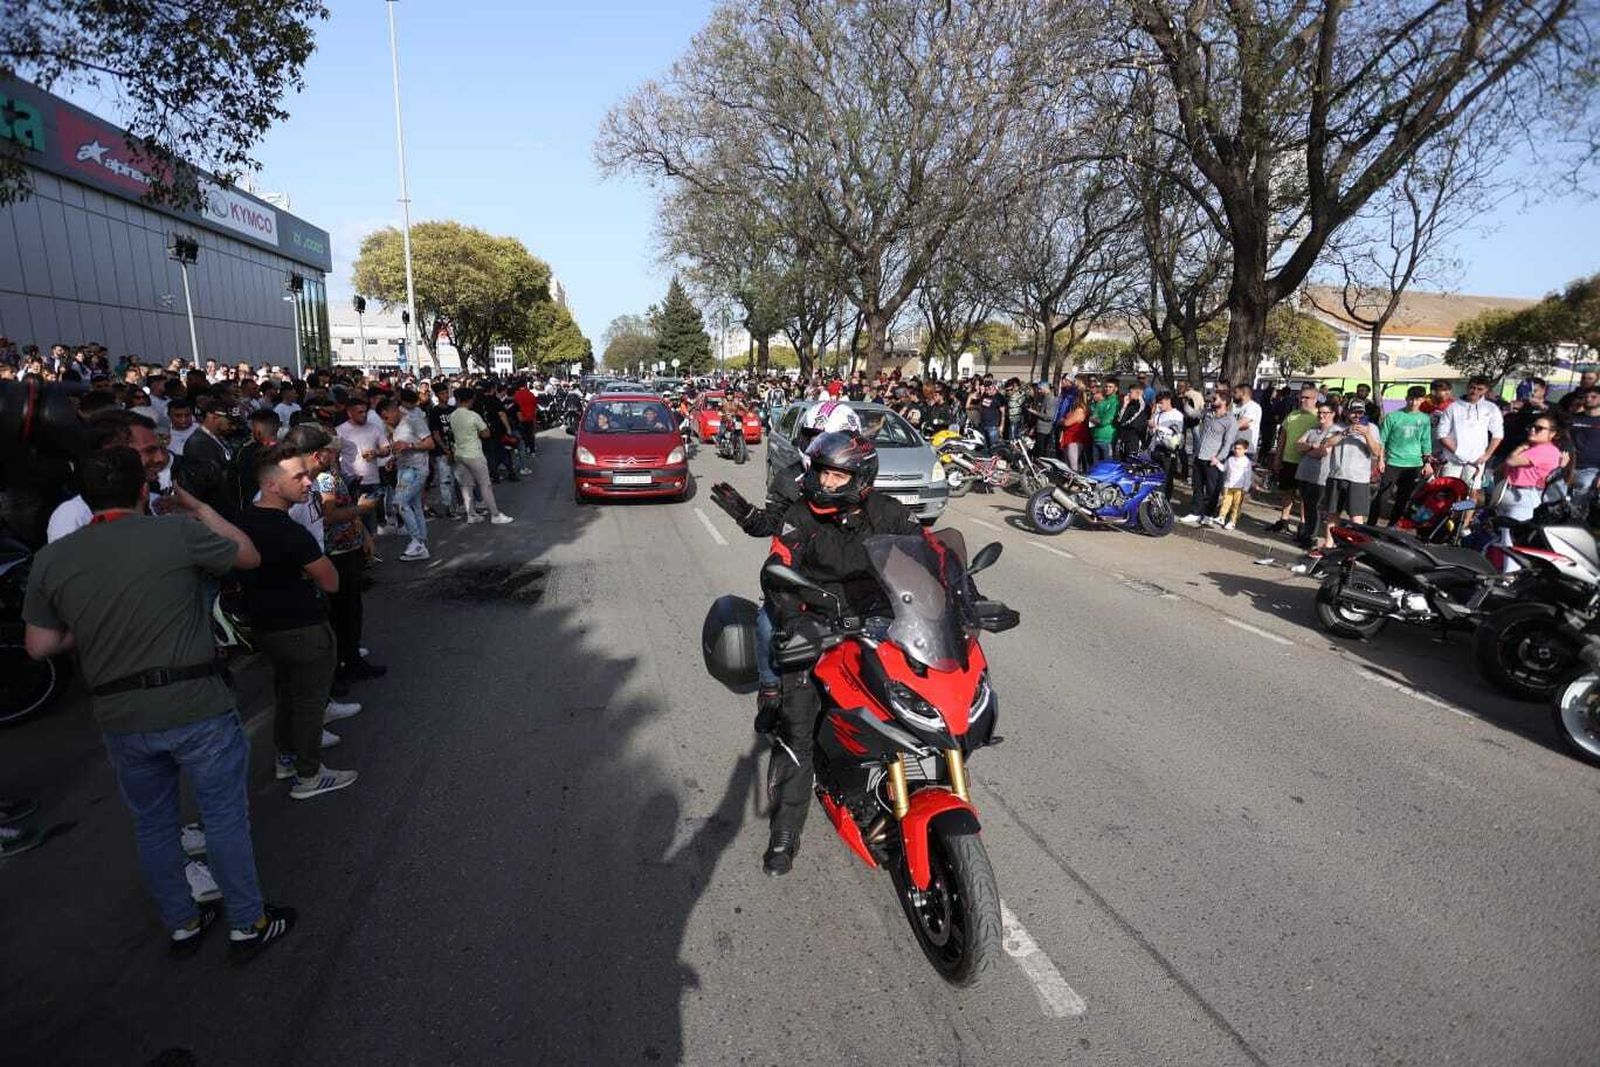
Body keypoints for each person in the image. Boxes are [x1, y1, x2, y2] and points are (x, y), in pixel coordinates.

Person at [22, 447, 297, 961]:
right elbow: (248, 555)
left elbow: (38, 646)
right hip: (196, 703)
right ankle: (248, 922)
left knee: (153, 825)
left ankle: (184, 921)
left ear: (84, 497)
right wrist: (199, 508)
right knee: (223, 819)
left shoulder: (52, 558)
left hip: (120, 714)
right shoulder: (175, 532)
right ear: (144, 490)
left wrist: (90, 628)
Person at [759, 430, 922, 876]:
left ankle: (888, 794)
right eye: (822, 473)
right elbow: (777, 576)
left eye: (835, 475)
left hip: (879, 623)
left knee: (913, 706)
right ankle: (785, 830)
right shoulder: (800, 515)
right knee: (798, 727)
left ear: (860, 478)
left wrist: (969, 599)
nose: (825, 482)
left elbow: (928, 556)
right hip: (817, 624)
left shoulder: (888, 512)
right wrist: (797, 624)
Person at [709, 402, 863, 732]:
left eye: (828, 437)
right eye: (812, 436)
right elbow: (770, 524)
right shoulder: (788, 478)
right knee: (767, 622)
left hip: (851, 575)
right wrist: (746, 515)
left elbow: (891, 532)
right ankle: (769, 691)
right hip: (802, 574)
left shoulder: (862, 477)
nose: (818, 445)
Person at [237, 445, 358, 800]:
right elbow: (331, 581)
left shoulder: (243, 521)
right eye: (299, 477)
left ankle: (286, 758)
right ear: (273, 485)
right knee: (308, 700)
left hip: (265, 627)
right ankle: (309, 773)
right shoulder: (289, 531)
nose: (309, 483)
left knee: (287, 694)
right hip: (302, 626)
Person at [377, 395, 434, 561]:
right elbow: (401, 448)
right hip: (403, 469)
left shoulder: (414, 421)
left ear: (393, 411)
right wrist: (393, 459)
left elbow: (430, 444)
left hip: (416, 469)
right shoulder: (396, 426)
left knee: (400, 502)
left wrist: (409, 446)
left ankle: (417, 542)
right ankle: (421, 543)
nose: (386, 421)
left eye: (386, 417)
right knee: (415, 506)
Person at [448, 388, 514, 525]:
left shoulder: (453, 415)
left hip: (459, 453)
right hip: (474, 453)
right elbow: (486, 433)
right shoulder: (473, 416)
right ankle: (495, 515)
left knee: (466, 486)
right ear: (471, 399)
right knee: (485, 484)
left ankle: (471, 514)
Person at [1322, 398, 1384, 543]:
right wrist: (1344, 433)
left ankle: (1355, 548)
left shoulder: (1372, 428)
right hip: (1336, 475)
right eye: (1353, 412)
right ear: (1345, 412)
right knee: (1332, 514)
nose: (1357, 416)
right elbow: (1325, 443)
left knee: (1356, 517)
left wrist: (1366, 435)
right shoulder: (1337, 426)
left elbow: (1376, 451)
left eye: (1360, 413)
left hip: (1359, 479)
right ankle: (1328, 545)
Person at [1435, 376, 1504, 504]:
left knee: (1471, 495)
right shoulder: (1453, 407)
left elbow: (1498, 434)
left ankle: (1462, 522)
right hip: (1452, 459)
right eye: (1472, 387)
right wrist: (1458, 452)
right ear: (1468, 387)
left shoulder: (1491, 408)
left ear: (1486, 390)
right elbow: (1441, 434)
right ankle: (1443, 521)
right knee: (1446, 491)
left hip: (1476, 460)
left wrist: (1486, 455)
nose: (1475, 391)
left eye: (1479, 389)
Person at [1267, 388, 1320, 534]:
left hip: (1306, 461)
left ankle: (1303, 523)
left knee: (1304, 495)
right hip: (1288, 459)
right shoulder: (1292, 415)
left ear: (1315, 399)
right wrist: (1278, 457)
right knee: (1286, 491)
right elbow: (1282, 436)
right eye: (1300, 397)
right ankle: (1284, 519)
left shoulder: (1318, 416)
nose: (1302, 400)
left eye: (1306, 398)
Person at [1375, 386, 1431, 525]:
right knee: (1382, 496)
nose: (1413, 402)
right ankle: (1371, 523)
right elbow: (1382, 440)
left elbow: (1426, 442)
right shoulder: (1393, 416)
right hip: (1393, 462)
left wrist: (1427, 462)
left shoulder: (1424, 419)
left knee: (1403, 498)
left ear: (1423, 400)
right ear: (1406, 398)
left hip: (1413, 465)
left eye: (1417, 399)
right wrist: (1381, 459)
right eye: (1411, 398)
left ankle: (1392, 525)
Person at [1180, 393, 1239, 525]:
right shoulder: (1208, 413)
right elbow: (1192, 414)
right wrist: (1188, 399)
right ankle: (1195, 513)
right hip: (1199, 455)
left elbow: (1228, 442)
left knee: (1212, 490)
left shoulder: (1230, 420)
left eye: (1215, 399)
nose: (1212, 400)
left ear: (1224, 401)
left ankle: (1209, 514)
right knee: (1197, 487)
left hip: (1213, 459)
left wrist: (1218, 458)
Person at [1496, 417, 1563, 521]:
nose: (1532, 430)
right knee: (1472, 499)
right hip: (1508, 492)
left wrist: (1520, 448)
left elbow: (1511, 461)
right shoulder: (1532, 448)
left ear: (1552, 433)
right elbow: (1500, 469)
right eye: (1531, 427)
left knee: (1510, 535)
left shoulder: (1546, 450)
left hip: (1523, 497)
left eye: (1539, 428)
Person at [1294, 402, 1341, 549]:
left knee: (1315, 506)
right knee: (1306, 504)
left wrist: (1307, 448)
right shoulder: (1313, 429)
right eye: (1319, 412)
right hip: (1305, 473)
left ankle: (1312, 536)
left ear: (1333, 414)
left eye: (1325, 413)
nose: (1321, 415)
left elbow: (1323, 452)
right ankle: (1306, 533)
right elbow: (1297, 445)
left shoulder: (1335, 431)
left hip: (1321, 476)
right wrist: (1311, 446)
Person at [1215, 439, 1252, 530]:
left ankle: (1232, 522)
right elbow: (1224, 469)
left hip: (1239, 488)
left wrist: (1246, 488)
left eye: (1240, 449)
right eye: (1235, 448)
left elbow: (1248, 476)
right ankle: (1221, 517)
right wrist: (1217, 463)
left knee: (1236, 506)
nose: (1237, 450)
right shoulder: (1230, 459)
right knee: (1225, 502)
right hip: (1229, 486)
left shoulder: (1246, 462)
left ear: (1245, 450)